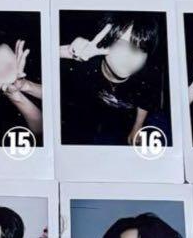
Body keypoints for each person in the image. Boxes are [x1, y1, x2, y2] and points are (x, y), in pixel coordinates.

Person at [59, 15, 165, 146]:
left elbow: (145, 102)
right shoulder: (86, 66)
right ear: (104, 41)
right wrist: (68, 52)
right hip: (92, 115)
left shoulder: (148, 74)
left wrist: (137, 127)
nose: (131, 57)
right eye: (121, 45)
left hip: (126, 119)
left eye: (141, 49)